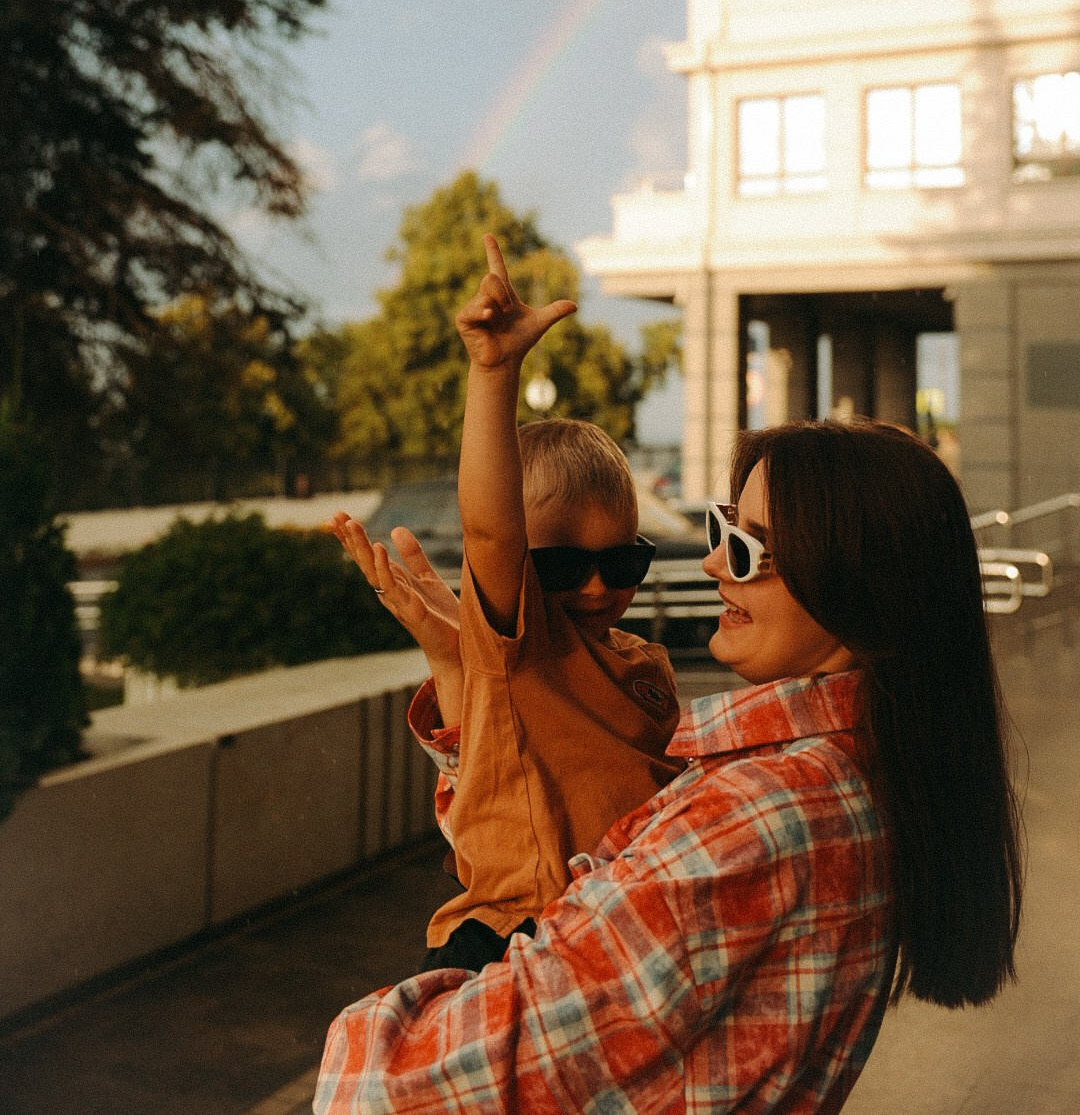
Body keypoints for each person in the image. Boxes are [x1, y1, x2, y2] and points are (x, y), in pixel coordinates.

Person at [317, 417, 1023, 1114]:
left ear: (852, 582)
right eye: (722, 530)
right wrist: (456, 663)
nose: (715, 563)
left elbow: (393, 1091)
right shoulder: (870, 772)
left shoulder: (758, 815)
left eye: (750, 550)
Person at [330, 233, 682, 971]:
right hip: (511, 933)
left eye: (623, 561)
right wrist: (494, 372)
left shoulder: (646, 668)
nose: (595, 588)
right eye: (558, 567)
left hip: (614, 925)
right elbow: (492, 528)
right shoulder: (522, 643)